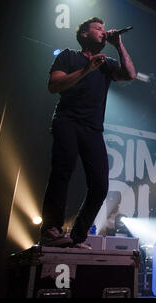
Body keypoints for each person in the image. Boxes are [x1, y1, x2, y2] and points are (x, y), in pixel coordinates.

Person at [39, 17, 136, 248]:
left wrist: (118, 44)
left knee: (100, 185)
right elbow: (54, 86)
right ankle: (51, 229)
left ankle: (76, 237)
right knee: (63, 171)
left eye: (104, 29)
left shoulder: (106, 62)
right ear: (84, 34)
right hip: (67, 121)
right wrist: (86, 69)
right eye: (98, 28)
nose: (103, 32)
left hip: (92, 129)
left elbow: (130, 74)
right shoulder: (68, 56)